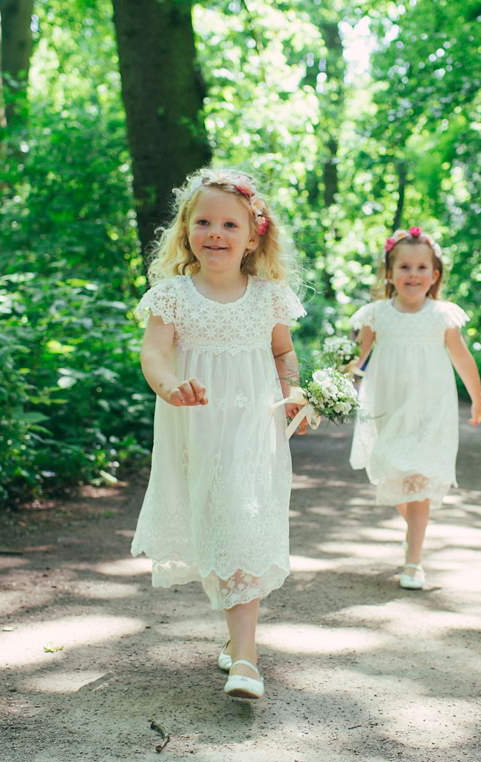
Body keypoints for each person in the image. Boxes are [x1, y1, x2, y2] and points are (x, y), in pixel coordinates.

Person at [131, 167, 305, 699]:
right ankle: (238, 638)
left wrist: (294, 392)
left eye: (229, 224)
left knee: (241, 518)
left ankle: (246, 659)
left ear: (254, 234)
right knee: (215, 524)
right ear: (186, 230)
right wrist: (169, 385)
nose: (215, 233)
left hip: (254, 430)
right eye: (203, 221)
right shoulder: (173, 296)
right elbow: (154, 353)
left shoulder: (268, 296)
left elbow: (283, 353)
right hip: (196, 428)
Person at [349, 226, 481, 590]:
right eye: (404, 267)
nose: (413, 275)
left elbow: (462, 359)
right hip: (388, 406)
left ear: (435, 275)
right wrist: (330, 386)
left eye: (421, 268)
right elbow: (356, 359)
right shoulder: (376, 314)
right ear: (390, 274)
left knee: (418, 479)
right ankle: (414, 532)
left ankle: (414, 562)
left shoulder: (442, 316)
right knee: (396, 477)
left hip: (430, 408)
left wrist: (477, 400)